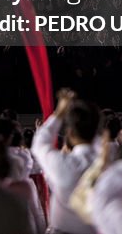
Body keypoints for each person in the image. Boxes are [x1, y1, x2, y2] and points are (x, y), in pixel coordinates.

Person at [31, 89, 100, 234]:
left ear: (70, 133)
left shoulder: (61, 164)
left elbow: (39, 143)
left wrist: (59, 113)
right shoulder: (110, 163)